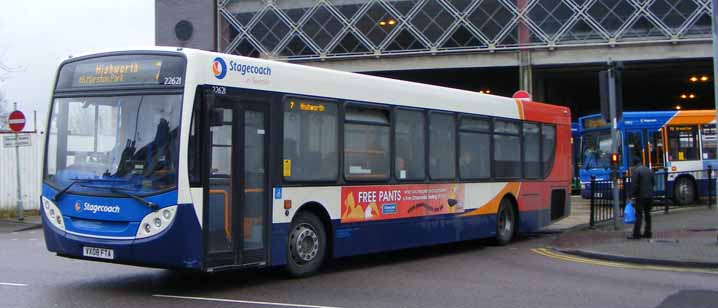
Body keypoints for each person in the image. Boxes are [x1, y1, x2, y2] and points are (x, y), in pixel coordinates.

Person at [628, 158, 654, 239]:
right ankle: (648, 232)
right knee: (647, 214)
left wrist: (631, 195)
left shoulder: (636, 171)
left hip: (641, 196)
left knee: (639, 215)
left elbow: (634, 185)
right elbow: (653, 182)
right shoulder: (649, 170)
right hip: (649, 195)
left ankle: (636, 234)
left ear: (635, 164)